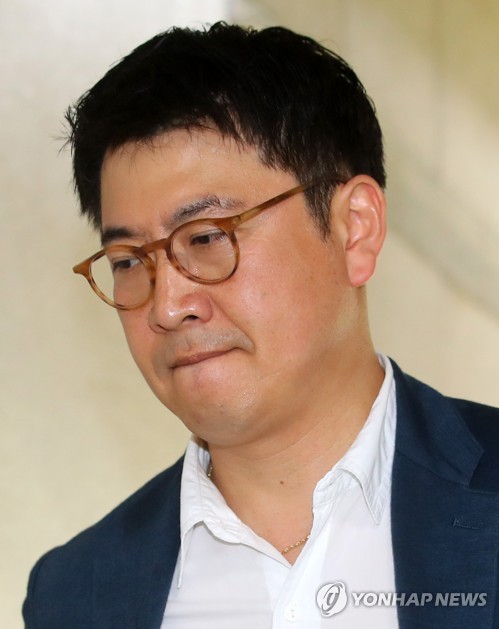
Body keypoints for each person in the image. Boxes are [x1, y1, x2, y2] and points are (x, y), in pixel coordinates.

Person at [23, 23, 499, 629]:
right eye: (128, 262)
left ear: (354, 229)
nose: (167, 306)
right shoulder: (73, 594)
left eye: (206, 238)